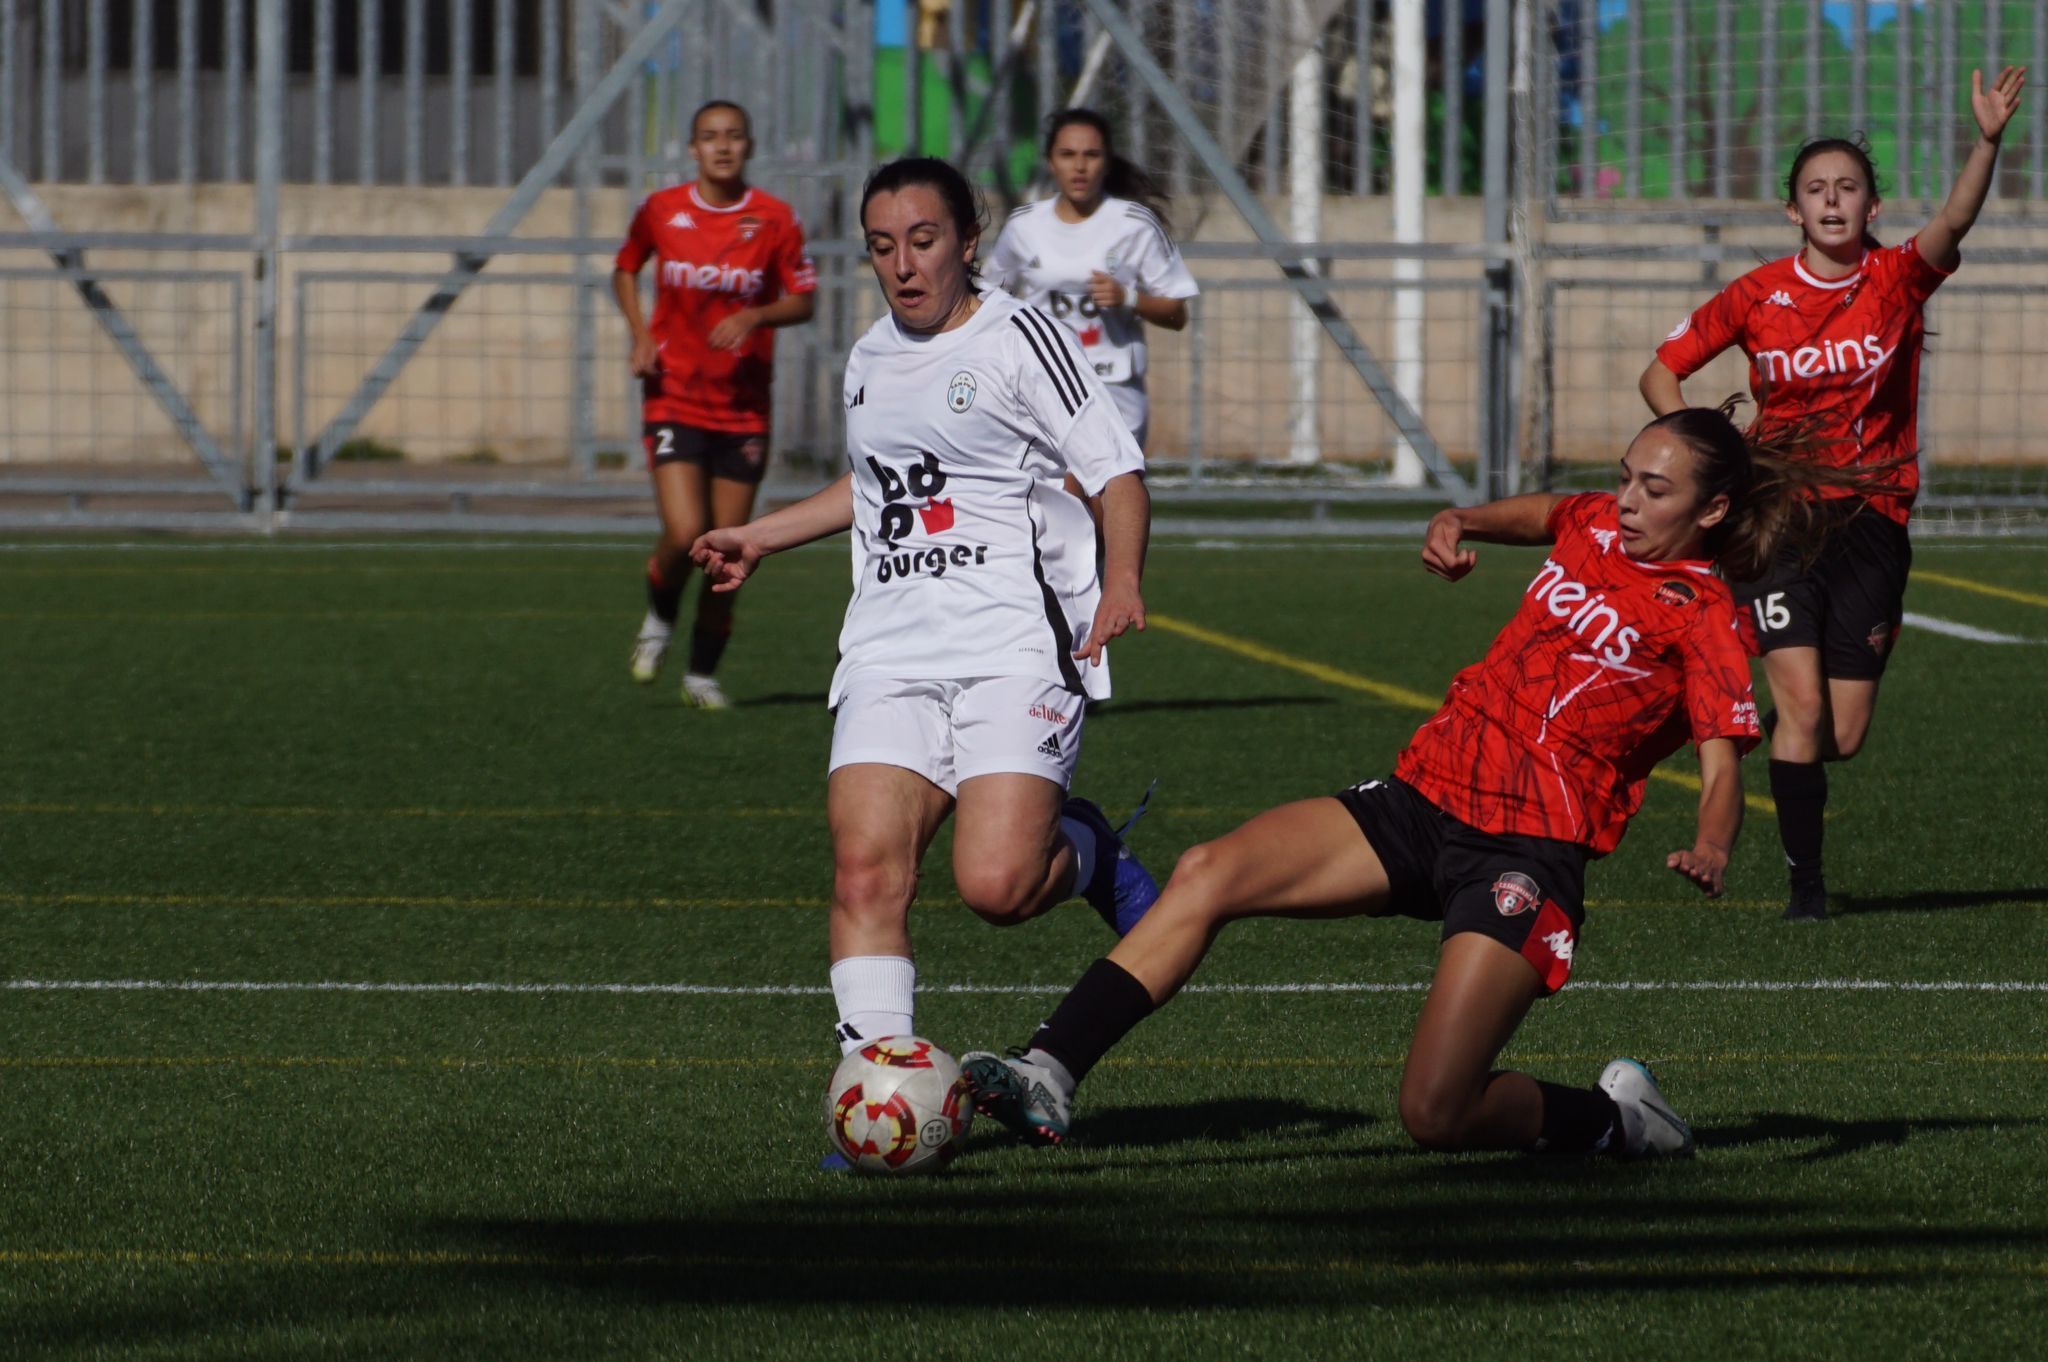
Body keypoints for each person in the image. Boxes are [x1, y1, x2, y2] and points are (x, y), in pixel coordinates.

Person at [962, 404, 1885, 1160]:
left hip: (1525, 853)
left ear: (1712, 512)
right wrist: (1461, 520)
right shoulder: (1599, 523)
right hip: (1424, 796)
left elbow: (1724, 760)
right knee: (1209, 871)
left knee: (1435, 1114)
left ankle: (1615, 1121)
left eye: (1657, 487)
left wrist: (1714, 840)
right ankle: (1050, 1069)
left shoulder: (1706, 619)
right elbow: (1547, 513)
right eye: (1626, 474)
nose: (1628, 499)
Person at [690, 156, 1161, 1081]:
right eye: (881, 246)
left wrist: (1121, 579)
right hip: (889, 646)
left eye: (923, 240)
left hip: (1011, 645)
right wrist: (762, 536)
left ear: (967, 244)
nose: (902, 265)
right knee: (866, 871)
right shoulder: (870, 356)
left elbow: (1115, 468)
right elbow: (874, 486)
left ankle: (1087, 849)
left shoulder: (1019, 338)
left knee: (996, 887)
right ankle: (881, 1089)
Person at [1638, 68, 2027, 920]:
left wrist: (1986, 141)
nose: (1832, 200)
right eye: (1815, 189)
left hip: (1874, 525)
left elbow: (1956, 220)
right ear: (1793, 211)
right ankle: (1806, 892)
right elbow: (1661, 372)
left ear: (1871, 207)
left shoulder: (1896, 280)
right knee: (1804, 710)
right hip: (1778, 521)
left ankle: (1787, 732)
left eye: (1848, 187)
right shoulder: (1757, 294)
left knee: (1837, 734)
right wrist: (1718, 457)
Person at [613, 99, 816, 708]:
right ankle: (657, 617)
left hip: (743, 407)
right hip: (674, 394)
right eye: (710, 137)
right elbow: (625, 269)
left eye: (733, 137)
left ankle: (701, 676)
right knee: (683, 532)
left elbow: (804, 300)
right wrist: (641, 333)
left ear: (749, 147)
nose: (722, 147)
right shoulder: (662, 210)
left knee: (727, 548)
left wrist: (756, 312)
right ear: (692, 147)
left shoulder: (776, 219)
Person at [982, 108, 1198, 450]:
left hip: (1114, 389)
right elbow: (985, 302)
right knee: (1052, 500)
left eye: (1091, 155)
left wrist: (1128, 298)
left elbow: (1177, 314)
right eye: (1067, 155)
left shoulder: (1135, 224)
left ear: (1107, 162)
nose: (1079, 167)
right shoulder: (1024, 225)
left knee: (1111, 501)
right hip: (1044, 385)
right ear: (1051, 162)